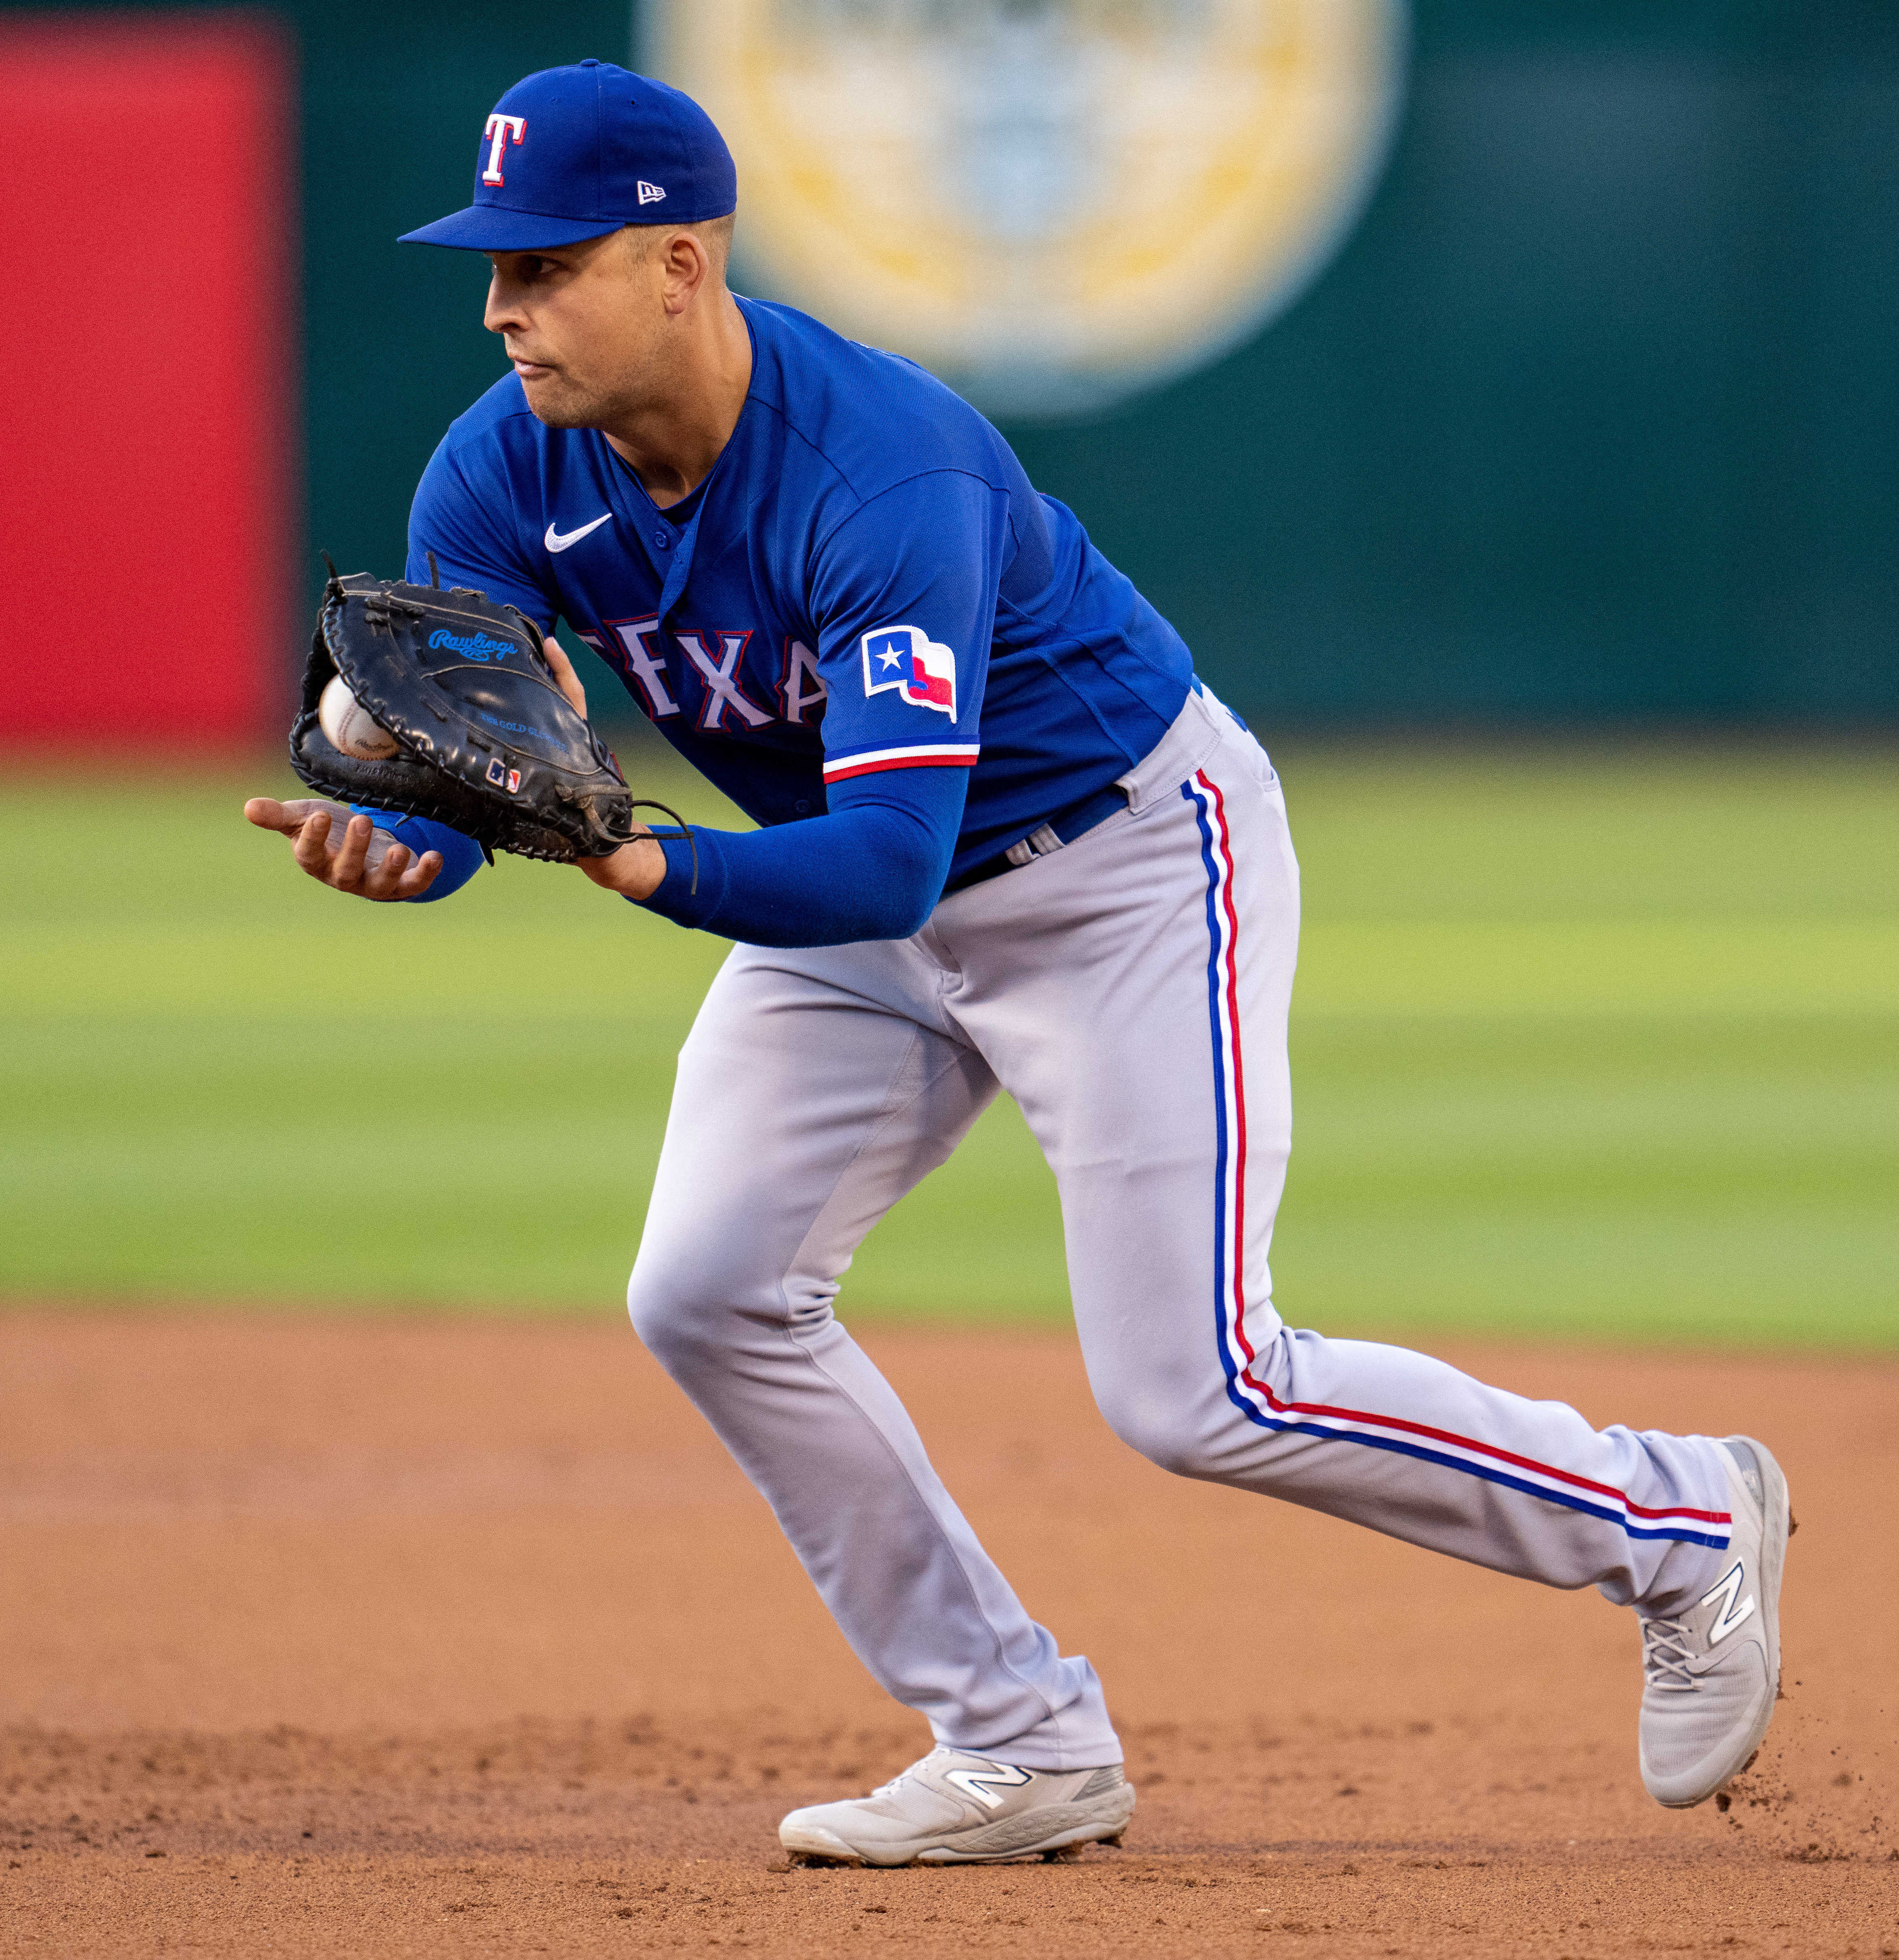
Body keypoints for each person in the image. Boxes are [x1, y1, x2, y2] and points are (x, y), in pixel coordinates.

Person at [245, 60, 1792, 1866]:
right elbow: (484, 775)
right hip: (852, 915)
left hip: (1120, 869)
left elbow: (885, 850)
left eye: (550, 261)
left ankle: (1676, 1523)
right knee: (709, 1291)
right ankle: (1019, 1735)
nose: (503, 305)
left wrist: (642, 859)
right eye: (493, 265)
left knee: (1197, 1388)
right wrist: (403, 848)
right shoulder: (499, 469)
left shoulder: (873, 468)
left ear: (683, 262)